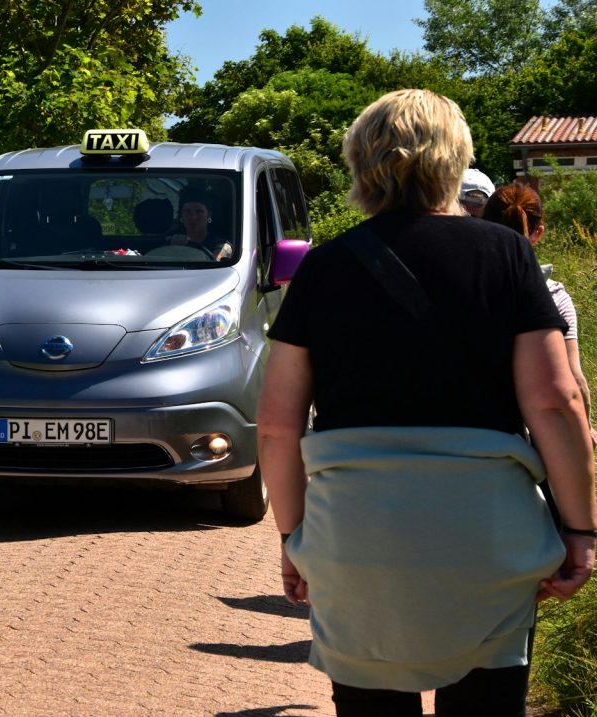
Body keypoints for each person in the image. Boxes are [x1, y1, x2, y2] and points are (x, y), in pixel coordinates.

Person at [256, 88, 596, 716]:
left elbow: (277, 426)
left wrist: (295, 538)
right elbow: (556, 402)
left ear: (361, 163)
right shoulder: (508, 255)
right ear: (454, 160)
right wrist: (580, 531)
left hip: (354, 536)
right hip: (487, 537)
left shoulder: (324, 269)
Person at [483, 182, 596, 446]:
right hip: (538, 439)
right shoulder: (554, 297)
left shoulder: (466, 287)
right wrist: (585, 427)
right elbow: (574, 380)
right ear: (538, 233)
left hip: (480, 433)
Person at [166, 187, 233, 260]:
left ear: (209, 215)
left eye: (199, 211)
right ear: (181, 215)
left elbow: (213, 266)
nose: (193, 217)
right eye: (188, 212)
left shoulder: (221, 245)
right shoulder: (169, 240)